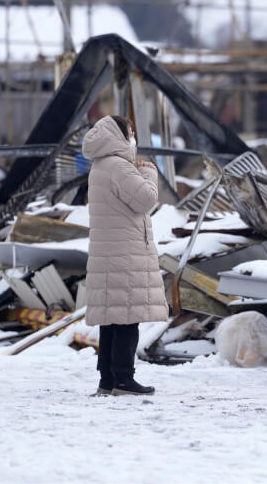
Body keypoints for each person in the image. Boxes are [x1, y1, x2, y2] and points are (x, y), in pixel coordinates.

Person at [81, 115, 169, 396]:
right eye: (130, 131)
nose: (133, 136)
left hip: (109, 252)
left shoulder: (99, 166)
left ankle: (107, 380)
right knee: (128, 319)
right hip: (125, 253)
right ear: (118, 135)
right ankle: (123, 380)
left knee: (112, 320)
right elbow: (146, 199)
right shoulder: (119, 166)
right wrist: (149, 173)